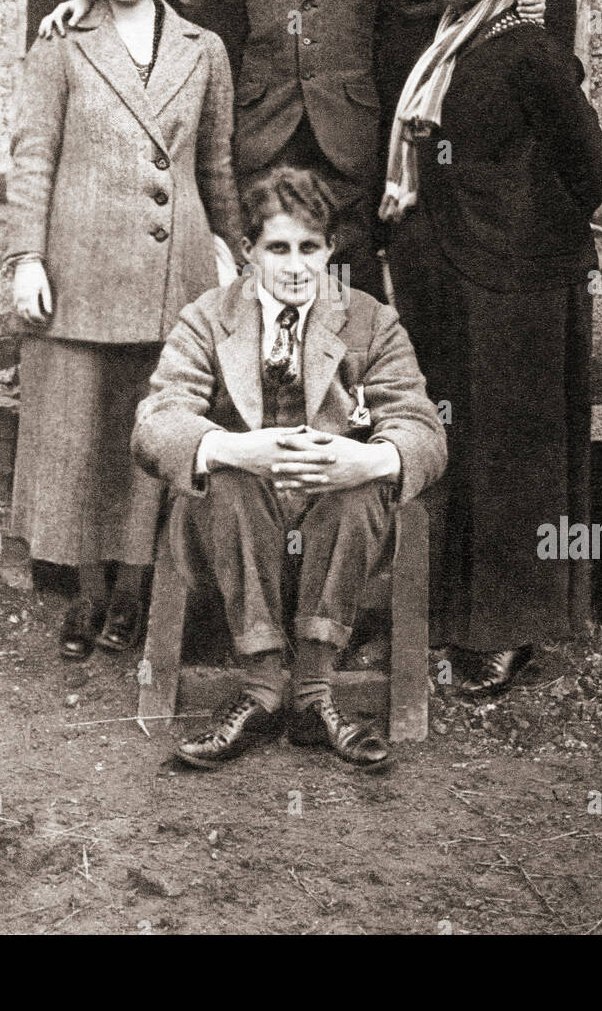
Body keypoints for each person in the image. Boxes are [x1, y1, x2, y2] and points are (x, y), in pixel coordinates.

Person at [37, 0, 546, 299]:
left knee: (347, 277)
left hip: (347, 149)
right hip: (265, 140)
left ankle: (345, 377)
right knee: (265, 264)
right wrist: (92, 0)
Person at [381, 0, 602, 698]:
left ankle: (508, 630)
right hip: (451, 283)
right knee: (457, 447)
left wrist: (514, 230)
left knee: (513, 459)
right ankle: (450, 617)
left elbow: (590, 170)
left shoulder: (531, 52)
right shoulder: (450, 40)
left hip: (516, 292)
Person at [131, 167, 447, 769]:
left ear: (330, 249)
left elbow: (424, 429)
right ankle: (261, 687)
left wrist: (367, 459)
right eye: (278, 248)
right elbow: (156, 422)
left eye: (310, 248)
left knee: (362, 492)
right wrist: (232, 448)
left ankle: (314, 691)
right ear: (249, 252)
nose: (296, 265)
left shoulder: (369, 320)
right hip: (236, 529)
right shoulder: (208, 317)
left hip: (337, 530)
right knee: (225, 482)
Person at [6, 0, 244, 661]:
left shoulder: (202, 50)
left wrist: (233, 254)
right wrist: (26, 258)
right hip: (77, 272)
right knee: (74, 435)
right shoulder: (61, 46)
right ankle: (84, 594)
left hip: (173, 273)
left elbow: (217, 167)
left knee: (156, 433)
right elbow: (31, 158)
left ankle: (137, 594)